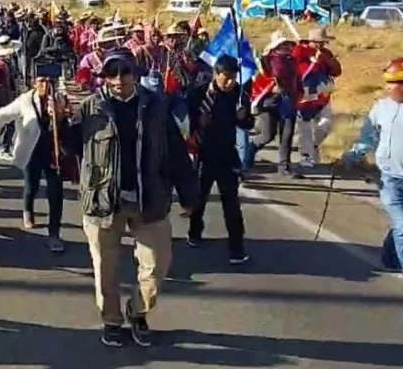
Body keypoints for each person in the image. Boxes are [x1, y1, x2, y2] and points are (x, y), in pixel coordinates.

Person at [67, 47, 198, 348]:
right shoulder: (89, 108)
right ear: (104, 77)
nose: (119, 79)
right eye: (112, 73)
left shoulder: (156, 106)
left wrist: (189, 193)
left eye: (124, 71)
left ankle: (138, 311)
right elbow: (70, 148)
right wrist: (59, 121)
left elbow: (176, 153)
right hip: (102, 202)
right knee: (105, 270)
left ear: (135, 74)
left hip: (149, 200)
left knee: (156, 266)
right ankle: (112, 320)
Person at [340, 57, 403, 291]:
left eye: (396, 83)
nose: (390, 88)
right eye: (388, 83)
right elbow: (368, 139)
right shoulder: (381, 108)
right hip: (390, 178)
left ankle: (390, 257)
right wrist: (351, 157)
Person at [0, 73, 71, 252]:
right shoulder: (25, 100)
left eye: (49, 81)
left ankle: (54, 233)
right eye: (41, 81)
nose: (45, 84)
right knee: (31, 185)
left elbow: (70, 121)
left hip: (53, 152)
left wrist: (59, 114)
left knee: (55, 192)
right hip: (31, 151)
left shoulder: (60, 99)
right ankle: (28, 210)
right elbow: (5, 113)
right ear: (34, 83)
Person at [185, 55, 253, 264]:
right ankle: (195, 232)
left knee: (231, 203)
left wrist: (244, 118)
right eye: (226, 77)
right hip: (202, 155)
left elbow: (247, 124)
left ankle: (236, 248)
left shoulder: (239, 95)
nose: (230, 82)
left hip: (226, 156)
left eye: (233, 77)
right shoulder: (198, 93)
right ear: (216, 74)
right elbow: (186, 121)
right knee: (199, 197)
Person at [249, 31, 302, 178]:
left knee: (287, 133)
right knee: (267, 135)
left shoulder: (292, 60)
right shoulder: (266, 61)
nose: (286, 46)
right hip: (270, 100)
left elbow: (297, 78)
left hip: (288, 99)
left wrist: (299, 91)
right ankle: (249, 151)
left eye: (287, 44)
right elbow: (261, 79)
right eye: (282, 44)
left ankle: (284, 165)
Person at [294, 27, 342, 167]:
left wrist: (325, 59)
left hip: (323, 96)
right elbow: (298, 68)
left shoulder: (326, 53)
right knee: (306, 127)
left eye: (323, 42)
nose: (322, 45)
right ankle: (306, 156)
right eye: (318, 42)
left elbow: (337, 71)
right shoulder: (299, 52)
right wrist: (312, 58)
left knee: (326, 124)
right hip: (305, 95)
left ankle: (312, 146)